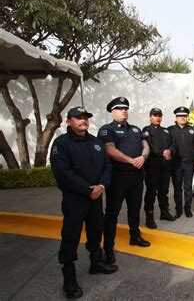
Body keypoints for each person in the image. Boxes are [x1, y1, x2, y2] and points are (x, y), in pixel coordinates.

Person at [51, 107, 118, 299]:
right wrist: (88, 189)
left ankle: (95, 263)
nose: (83, 121)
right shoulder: (61, 144)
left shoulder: (95, 141)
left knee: (96, 229)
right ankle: (69, 278)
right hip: (75, 199)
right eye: (78, 118)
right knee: (71, 235)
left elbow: (107, 166)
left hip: (96, 196)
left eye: (85, 118)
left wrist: (102, 186)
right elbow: (63, 173)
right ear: (69, 121)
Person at [98, 97, 151, 267]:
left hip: (136, 177)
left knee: (134, 209)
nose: (124, 111)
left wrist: (143, 157)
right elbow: (109, 150)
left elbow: (146, 145)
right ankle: (108, 248)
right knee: (112, 213)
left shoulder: (136, 129)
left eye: (126, 108)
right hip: (117, 178)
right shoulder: (107, 130)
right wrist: (131, 160)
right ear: (112, 111)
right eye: (120, 108)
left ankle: (134, 237)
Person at [142, 107, 175, 229]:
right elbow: (149, 145)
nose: (158, 117)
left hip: (165, 166)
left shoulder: (166, 131)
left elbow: (173, 144)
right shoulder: (146, 130)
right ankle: (149, 216)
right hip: (152, 167)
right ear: (150, 117)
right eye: (155, 115)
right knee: (151, 192)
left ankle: (164, 212)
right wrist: (163, 152)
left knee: (164, 190)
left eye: (160, 115)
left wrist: (170, 151)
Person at [168, 106, 194, 218]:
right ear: (176, 117)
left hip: (189, 163)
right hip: (176, 164)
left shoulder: (192, 130)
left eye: (184, 116)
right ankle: (178, 209)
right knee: (177, 188)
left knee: (188, 188)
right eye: (180, 116)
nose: (182, 118)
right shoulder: (170, 130)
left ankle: (187, 208)